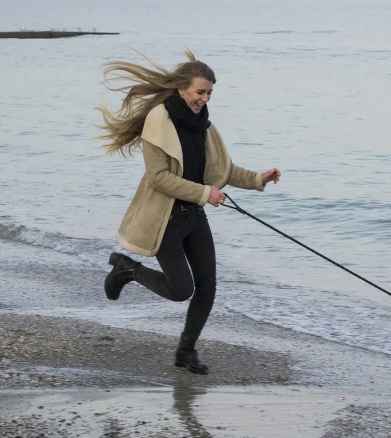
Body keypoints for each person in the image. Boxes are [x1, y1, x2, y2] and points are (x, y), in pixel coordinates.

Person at [97, 49, 281, 375]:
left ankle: (186, 350)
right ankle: (127, 270)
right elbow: (159, 178)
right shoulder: (158, 122)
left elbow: (222, 170)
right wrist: (205, 193)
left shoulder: (203, 125)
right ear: (182, 88)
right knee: (181, 290)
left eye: (209, 93)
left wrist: (258, 179)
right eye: (200, 92)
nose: (204, 99)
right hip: (165, 220)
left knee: (208, 287)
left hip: (194, 218)